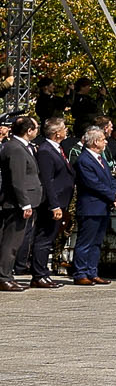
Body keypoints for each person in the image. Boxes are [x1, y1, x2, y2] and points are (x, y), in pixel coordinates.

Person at [29, 116, 73, 288]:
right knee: (44, 237)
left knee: (50, 237)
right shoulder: (46, 151)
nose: (66, 131)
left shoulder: (58, 148)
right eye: (63, 128)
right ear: (56, 133)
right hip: (51, 202)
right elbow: (48, 180)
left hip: (61, 200)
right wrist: (54, 205)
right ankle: (38, 274)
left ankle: (43, 273)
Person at [69, 128, 116, 285]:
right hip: (91, 206)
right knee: (85, 242)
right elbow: (93, 184)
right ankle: (80, 273)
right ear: (95, 141)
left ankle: (92, 271)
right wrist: (112, 195)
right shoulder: (84, 160)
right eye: (103, 139)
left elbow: (110, 179)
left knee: (96, 242)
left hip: (102, 206)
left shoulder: (100, 159)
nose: (105, 141)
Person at [0, 116, 41, 291]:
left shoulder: (21, 147)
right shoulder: (15, 148)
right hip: (16, 203)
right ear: (29, 131)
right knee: (11, 241)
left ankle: (6, 275)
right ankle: (4, 277)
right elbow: (18, 179)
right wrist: (25, 203)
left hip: (22, 200)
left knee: (15, 241)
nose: (37, 130)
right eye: (35, 128)